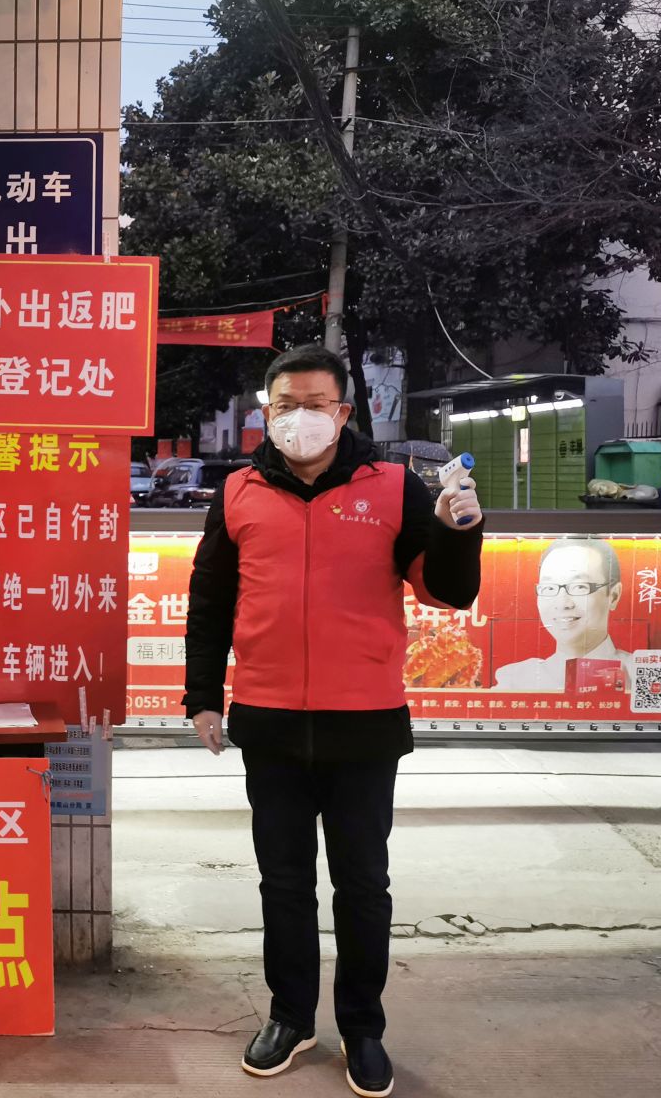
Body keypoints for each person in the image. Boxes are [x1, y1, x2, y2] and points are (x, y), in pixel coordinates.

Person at [185, 345, 484, 1098]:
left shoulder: (393, 486)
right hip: (270, 720)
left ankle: (363, 1027)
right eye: (285, 405)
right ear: (267, 412)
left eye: (315, 404)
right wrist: (203, 696)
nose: (300, 418)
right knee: (283, 882)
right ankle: (291, 1017)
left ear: (344, 411)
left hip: (364, 721)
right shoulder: (239, 491)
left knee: (363, 885)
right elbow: (211, 600)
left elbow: (448, 592)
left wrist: (458, 531)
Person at [492, 539, 630, 691]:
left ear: (614, 596)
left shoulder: (639, 673)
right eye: (549, 588)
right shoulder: (517, 680)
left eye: (580, 586)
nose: (563, 603)